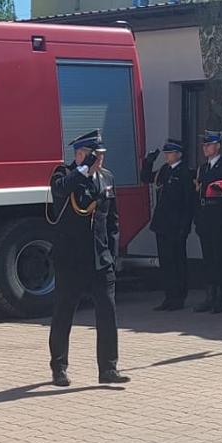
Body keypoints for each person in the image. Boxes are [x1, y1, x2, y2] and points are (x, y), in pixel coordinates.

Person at [48, 129, 128, 386]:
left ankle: (108, 368)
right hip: (70, 260)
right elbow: (60, 191)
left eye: (102, 155)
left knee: (107, 313)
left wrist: (112, 255)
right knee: (64, 313)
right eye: (96, 155)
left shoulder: (107, 178)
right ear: (81, 154)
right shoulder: (63, 174)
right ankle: (59, 367)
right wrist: (82, 170)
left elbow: (112, 221)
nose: (100, 160)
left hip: (99, 259)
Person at [142, 139, 196, 311]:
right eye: (165, 153)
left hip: (176, 224)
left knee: (177, 261)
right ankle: (169, 295)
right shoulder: (165, 170)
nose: (166, 156)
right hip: (162, 223)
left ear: (178, 154)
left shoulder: (185, 173)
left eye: (169, 153)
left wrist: (185, 226)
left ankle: (179, 296)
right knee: (166, 261)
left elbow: (188, 203)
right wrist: (148, 161)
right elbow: (146, 178)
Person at [192, 132, 222, 313]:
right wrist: (197, 219)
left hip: (218, 217)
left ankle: (219, 297)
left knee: (219, 259)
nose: (205, 148)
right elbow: (197, 195)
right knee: (208, 258)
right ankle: (209, 295)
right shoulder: (203, 169)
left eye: (209, 145)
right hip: (205, 217)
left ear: (217, 146)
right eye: (204, 145)